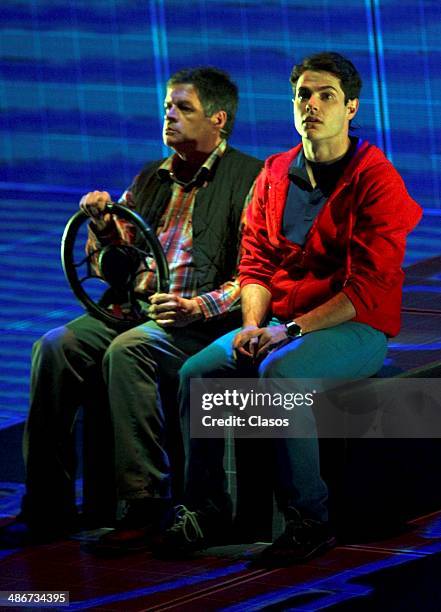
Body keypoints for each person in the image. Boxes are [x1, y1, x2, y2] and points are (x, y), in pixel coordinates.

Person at [159, 52, 423, 565]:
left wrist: (291, 331)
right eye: (303, 94)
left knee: (281, 374)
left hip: (356, 326)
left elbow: (366, 288)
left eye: (326, 96)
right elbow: (255, 263)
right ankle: (206, 508)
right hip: (281, 321)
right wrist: (255, 325)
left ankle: (309, 518)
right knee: (197, 371)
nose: (312, 105)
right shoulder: (277, 172)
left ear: (351, 108)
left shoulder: (376, 180)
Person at [18, 67, 263, 551]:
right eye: (168, 107)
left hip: (197, 321)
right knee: (54, 346)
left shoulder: (249, 179)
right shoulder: (151, 178)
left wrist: (195, 307)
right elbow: (115, 264)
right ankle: (48, 502)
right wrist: (105, 226)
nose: (169, 116)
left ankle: (143, 501)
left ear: (219, 120)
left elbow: (253, 275)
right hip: (132, 309)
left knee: (130, 351)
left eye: (183, 108)